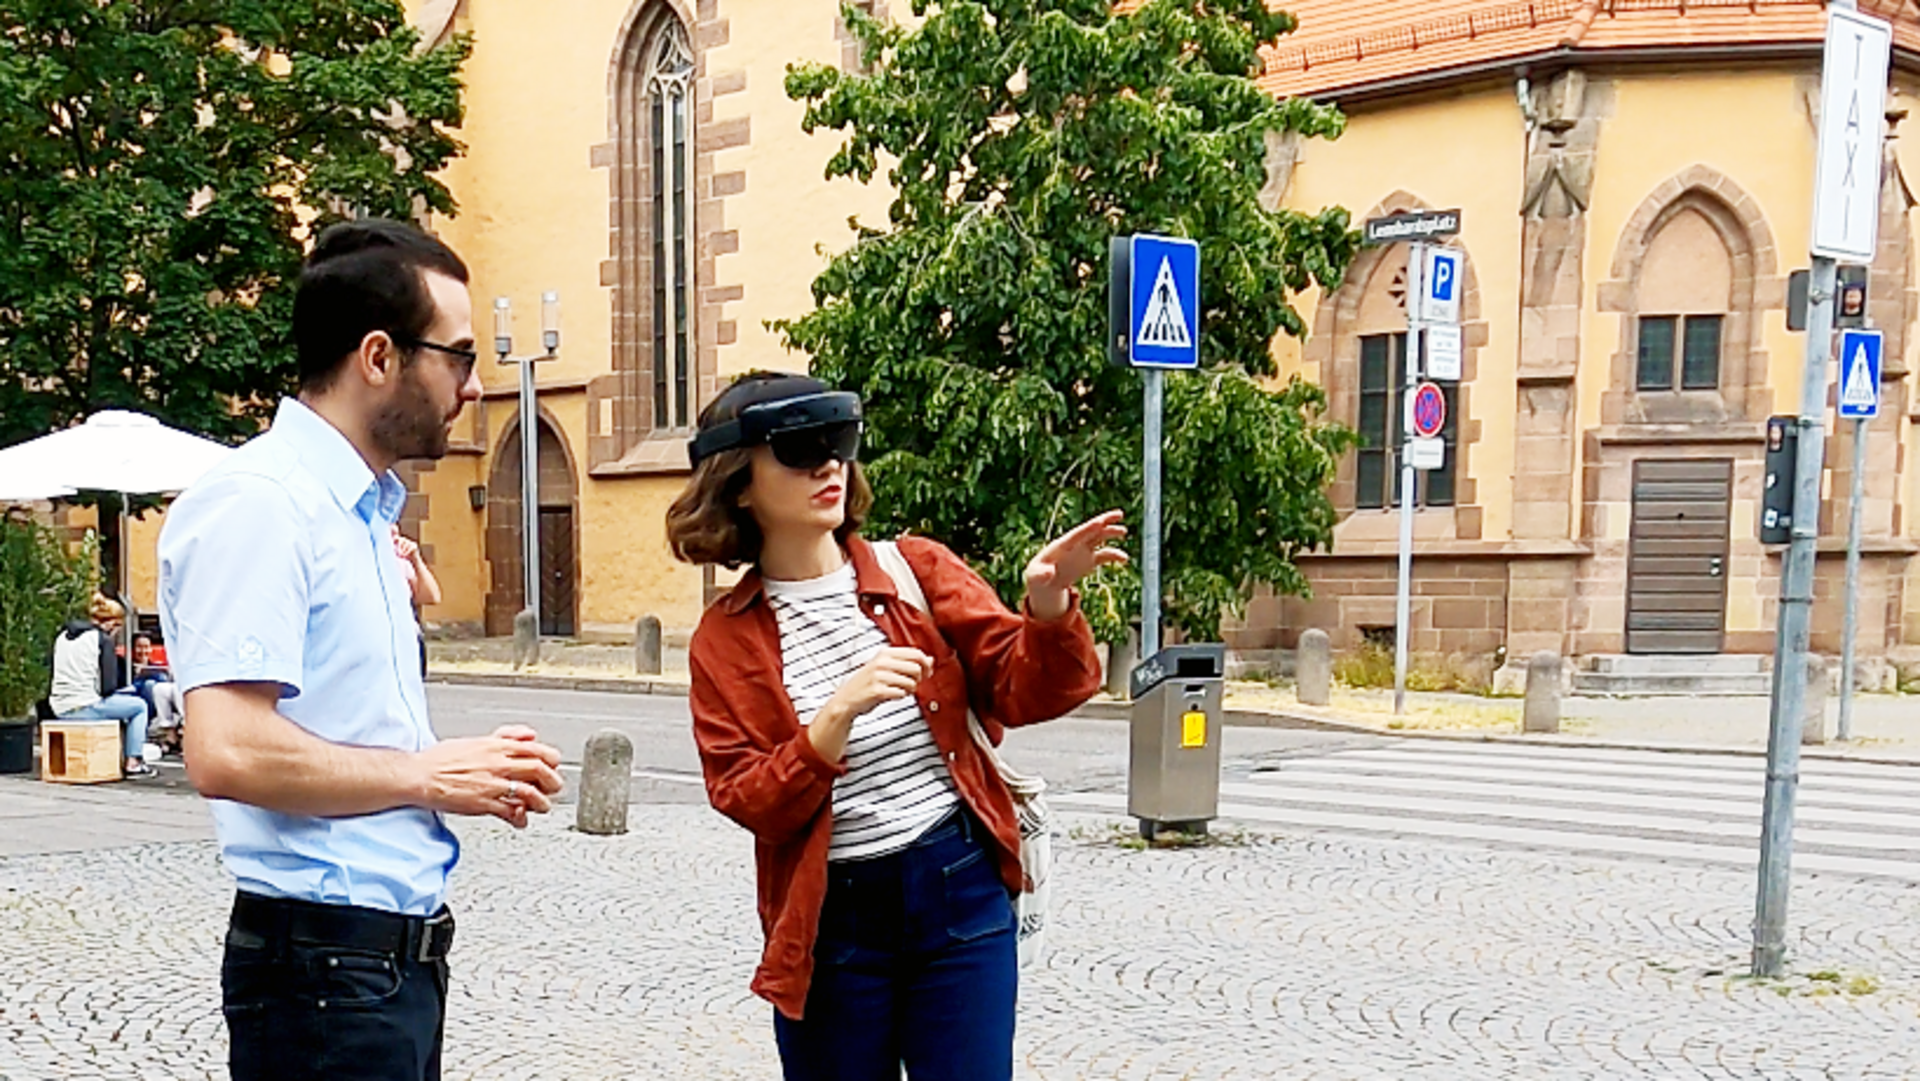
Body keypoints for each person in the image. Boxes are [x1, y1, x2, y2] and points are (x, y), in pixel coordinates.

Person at [158, 218, 566, 1081]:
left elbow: (339, 712)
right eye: (457, 356)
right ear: (379, 356)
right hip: (325, 972)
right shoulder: (263, 503)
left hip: (377, 967)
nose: (475, 385)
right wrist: (430, 774)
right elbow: (227, 749)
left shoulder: (356, 515)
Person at [667, 372, 1127, 1081]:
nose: (829, 465)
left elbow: (1027, 687)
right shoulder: (727, 640)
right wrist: (834, 718)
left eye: (840, 442)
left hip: (958, 892)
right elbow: (747, 796)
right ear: (738, 483)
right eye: (798, 449)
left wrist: (1047, 603)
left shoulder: (914, 568)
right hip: (832, 926)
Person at [48, 592, 153, 777]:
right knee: (139, 707)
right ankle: (133, 762)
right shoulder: (101, 640)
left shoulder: (62, 636)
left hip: (59, 706)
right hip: (85, 706)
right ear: (111, 623)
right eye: (118, 627)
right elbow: (108, 688)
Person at [393, 525, 441, 674]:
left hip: (407, 639)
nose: (394, 531)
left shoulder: (399, 562)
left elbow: (431, 596)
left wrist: (416, 559)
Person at [130, 633, 184, 756]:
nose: (143, 651)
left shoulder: (157, 666)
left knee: (167, 687)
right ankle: (170, 731)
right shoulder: (125, 665)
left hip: (163, 696)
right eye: (139, 647)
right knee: (151, 685)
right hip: (138, 697)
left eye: (146, 647)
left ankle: (173, 732)